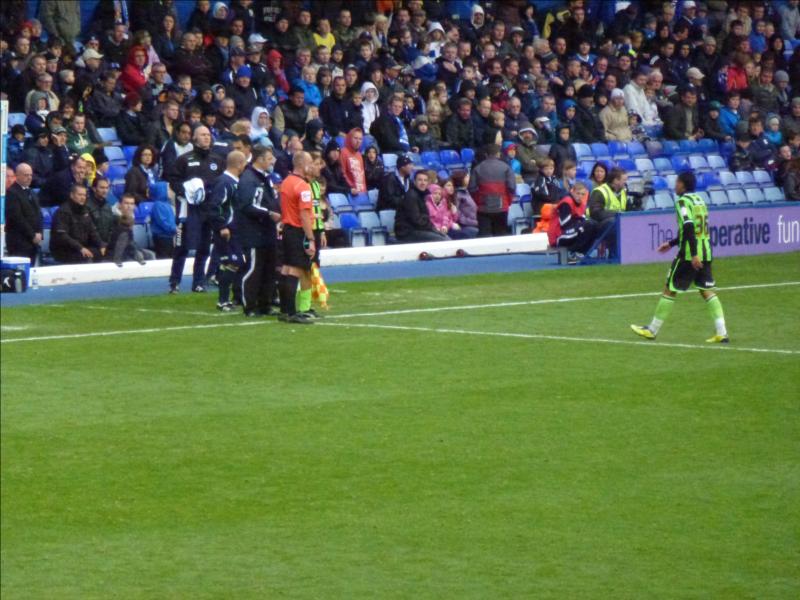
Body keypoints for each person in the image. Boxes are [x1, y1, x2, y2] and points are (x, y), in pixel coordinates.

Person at [631, 171, 729, 343]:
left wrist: (693, 254)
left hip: (690, 254)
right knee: (706, 290)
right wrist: (671, 243)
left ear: (683, 184)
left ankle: (652, 329)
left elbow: (689, 226)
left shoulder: (683, 202)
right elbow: (694, 228)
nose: (675, 185)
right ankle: (722, 332)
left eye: (677, 182)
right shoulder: (700, 200)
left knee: (670, 288)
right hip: (706, 250)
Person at [166, 125, 225, 294]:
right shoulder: (184, 159)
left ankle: (198, 282)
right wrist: (186, 190)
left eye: (208, 134)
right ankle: (174, 282)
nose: (207, 137)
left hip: (209, 209)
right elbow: (173, 181)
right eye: (203, 135)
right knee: (182, 246)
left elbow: (221, 182)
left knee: (204, 247)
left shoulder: (217, 160)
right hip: (189, 209)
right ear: (195, 138)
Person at [234, 144, 283, 316]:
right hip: (254, 232)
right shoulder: (248, 179)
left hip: (267, 231)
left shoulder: (264, 178)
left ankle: (265, 304)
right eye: (269, 159)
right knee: (254, 269)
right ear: (260, 159)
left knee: (269, 270)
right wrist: (269, 213)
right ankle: (250, 305)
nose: (272, 162)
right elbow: (247, 206)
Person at [277, 151, 316, 324]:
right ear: (303, 165)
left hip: (286, 229)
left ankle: (285, 310)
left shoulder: (286, 182)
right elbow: (305, 215)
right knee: (296, 270)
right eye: (310, 163)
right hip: (297, 231)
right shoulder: (303, 186)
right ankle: (292, 312)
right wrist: (311, 238)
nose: (312, 166)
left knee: (286, 269)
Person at [207, 151, 248, 312]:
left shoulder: (234, 181)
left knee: (236, 263)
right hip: (227, 230)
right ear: (239, 164)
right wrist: (222, 226)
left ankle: (234, 298)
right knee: (233, 262)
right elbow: (215, 206)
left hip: (236, 230)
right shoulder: (224, 182)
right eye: (244, 163)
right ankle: (222, 300)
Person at [50, 184, 106, 263]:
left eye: (84, 195)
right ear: (72, 195)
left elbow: (92, 231)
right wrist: (80, 248)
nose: (83, 197)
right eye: (80, 195)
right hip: (64, 250)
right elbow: (62, 236)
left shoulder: (85, 210)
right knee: (86, 258)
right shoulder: (63, 212)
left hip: (81, 248)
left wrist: (101, 245)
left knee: (104, 252)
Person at [469, 144, 516, 237]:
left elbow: (471, 188)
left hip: (483, 208)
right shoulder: (506, 167)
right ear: (498, 154)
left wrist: (479, 201)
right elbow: (512, 187)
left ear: (486, 154)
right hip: (502, 206)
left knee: (484, 237)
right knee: (501, 235)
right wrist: (508, 201)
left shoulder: (477, 168)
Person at [547, 181, 597, 264]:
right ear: (572, 191)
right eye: (578, 193)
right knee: (587, 225)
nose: (580, 196)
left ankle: (581, 253)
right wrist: (580, 224)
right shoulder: (567, 202)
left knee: (594, 225)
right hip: (559, 236)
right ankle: (572, 253)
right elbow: (565, 224)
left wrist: (581, 223)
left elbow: (582, 219)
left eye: (583, 194)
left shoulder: (581, 204)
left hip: (571, 231)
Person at [395, 169, 450, 243]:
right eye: (420, 180)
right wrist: (432, 228)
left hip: (418, 229)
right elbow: (416, 220)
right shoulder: (411, 196)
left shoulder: (422, 195)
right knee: (443, 240)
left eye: (425, 180)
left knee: (446, 237)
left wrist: (433, 228)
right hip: (407, 232)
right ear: (414, 182)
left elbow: (424, 217)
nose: (423, 183)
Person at [4, 163, 42, 265]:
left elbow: (38, 214)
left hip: (32, 243)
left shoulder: (32, 192)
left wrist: (39, 233)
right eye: (26, 175)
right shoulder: (12, 193)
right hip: (19, 242)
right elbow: (17, 218)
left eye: (30, 175)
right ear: (17, 175)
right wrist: (32, 235)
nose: (29, 178)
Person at [587, 166, 627, 256]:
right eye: (624, 180)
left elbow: (626, 209)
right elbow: (595, 213)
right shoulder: (599, 191)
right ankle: (615, 255)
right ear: (616, 180)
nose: (625, 182)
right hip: (598, 226)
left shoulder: (623, 192)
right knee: (613, 222)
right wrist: (616, 215)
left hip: (617, 222)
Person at [86, 176, 116, 246]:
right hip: (92, 246)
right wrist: (101, 245)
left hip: (106, 245)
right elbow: (89, 231)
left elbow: (111, 228)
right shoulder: (86, 206)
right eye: (102, 188)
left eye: (107, 188)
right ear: (94, 189)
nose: (105, 191)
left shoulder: (107, 206)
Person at [340, 127, 366, 195]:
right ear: (350, 138)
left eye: (360, 139)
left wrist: (364, 190)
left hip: (361, 192)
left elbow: (362, 175)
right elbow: (343, 173)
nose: (358, 141)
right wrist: (351, 188)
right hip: (351, 191)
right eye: (355, 138)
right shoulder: (343, 152)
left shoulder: (359, 155)